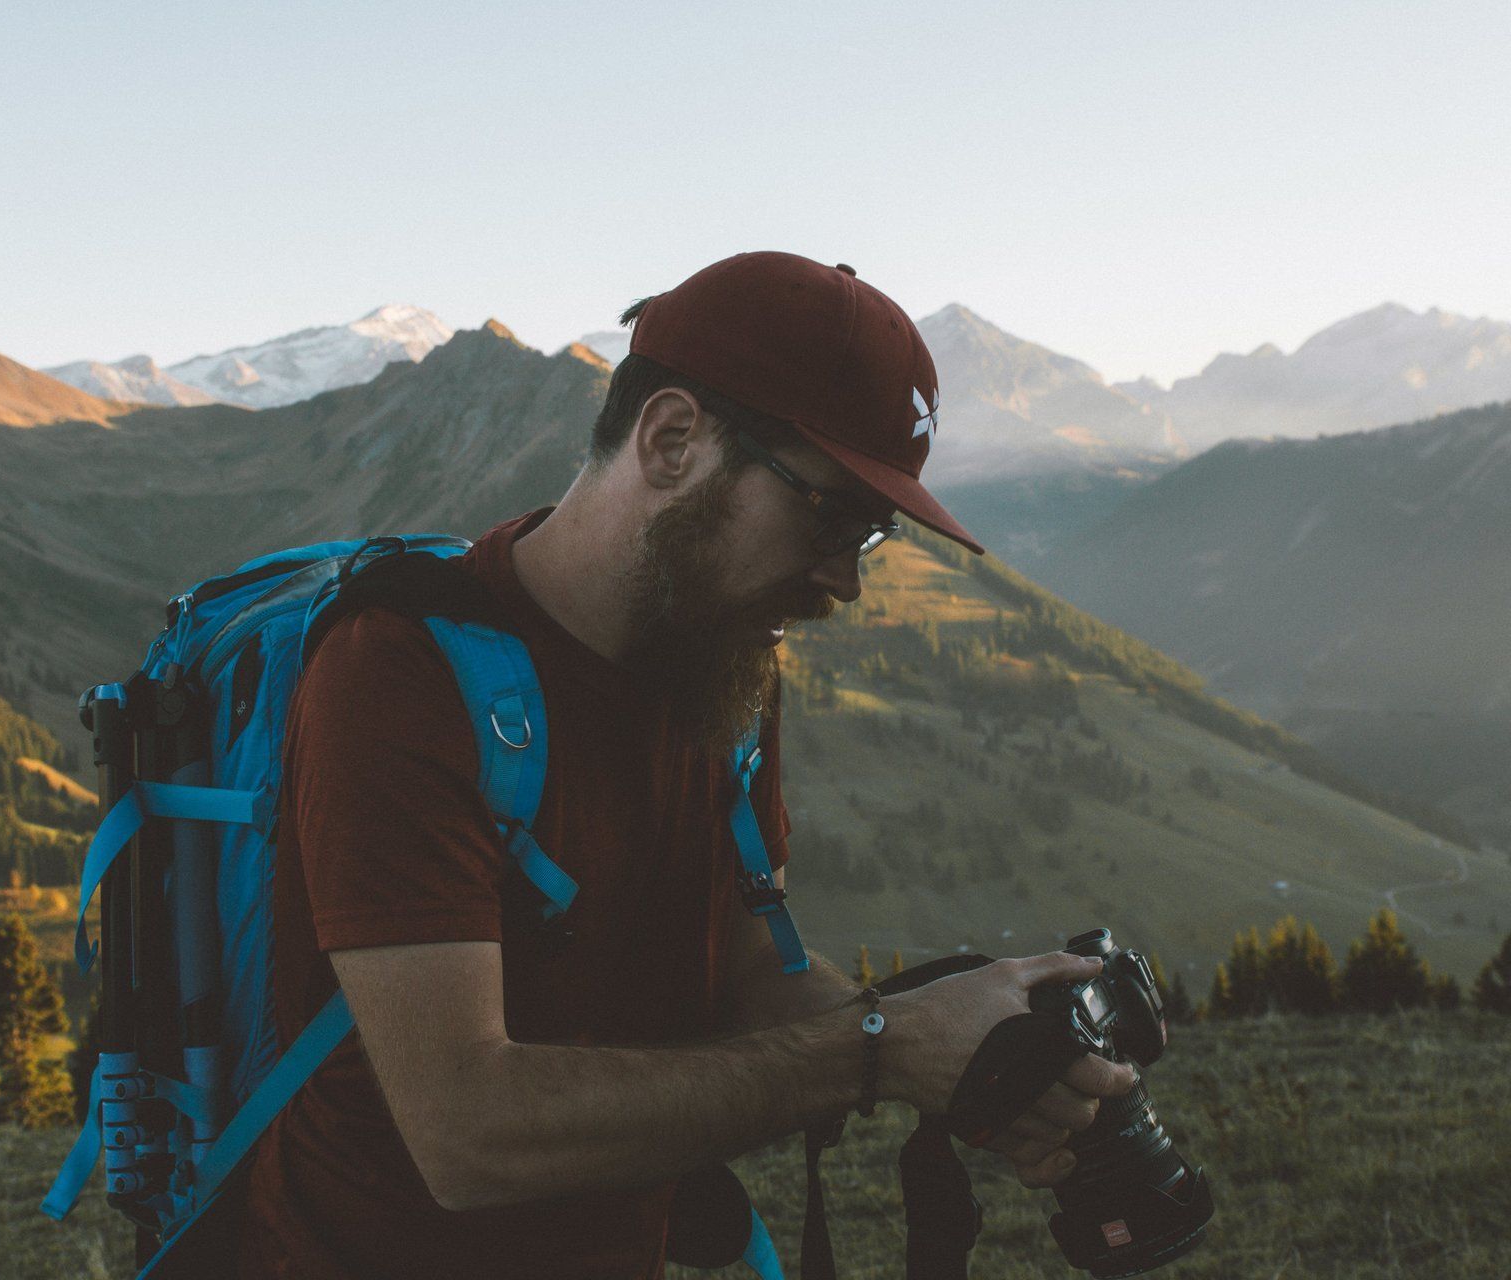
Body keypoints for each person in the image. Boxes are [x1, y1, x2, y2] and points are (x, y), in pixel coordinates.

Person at [236, 251, 1136, 1278]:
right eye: (830, 513)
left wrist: (971, 1052)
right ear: (671, 440)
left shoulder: (726, 666)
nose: (845, 579)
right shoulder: (399, 672)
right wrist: (880, 1046)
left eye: (874, 533)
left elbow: (749, 972)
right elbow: (467, 1132)